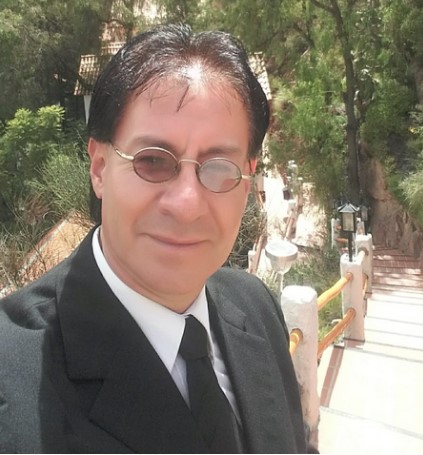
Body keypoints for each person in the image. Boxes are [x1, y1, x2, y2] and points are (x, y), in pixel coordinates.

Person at [0, 24, 308, 453]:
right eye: (152, 162)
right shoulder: (12, 375)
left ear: (247, 179)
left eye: (219, 166)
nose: (187, 204)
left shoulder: (255, 307)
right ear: (99, 168)